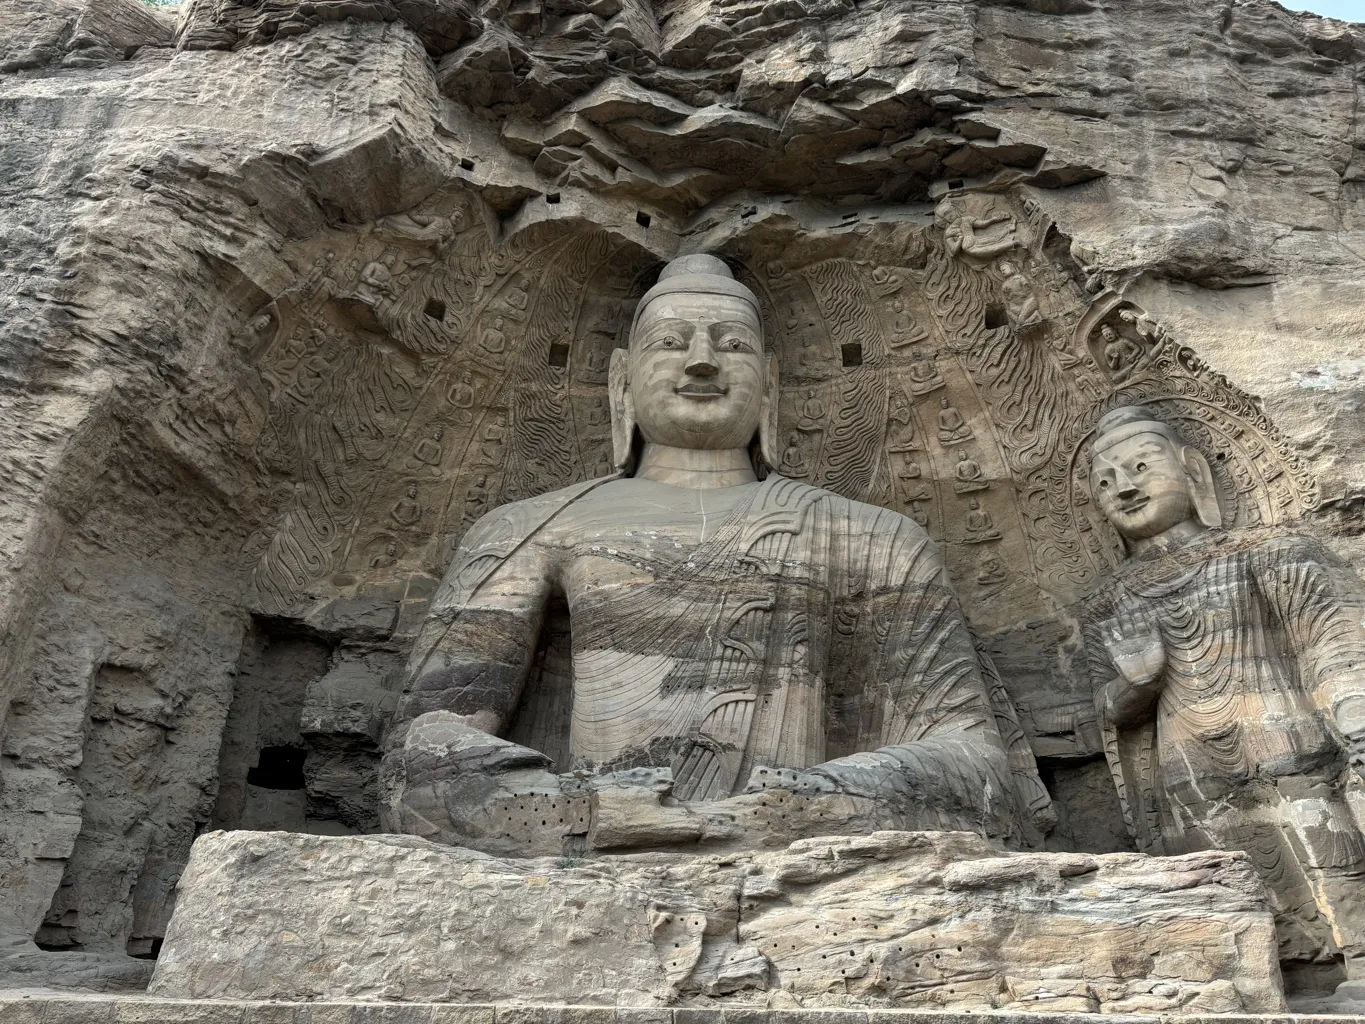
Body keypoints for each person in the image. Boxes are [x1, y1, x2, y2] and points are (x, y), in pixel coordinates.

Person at [381, 255, 1051, 856]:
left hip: (806, 859)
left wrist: (799, 803)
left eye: (731, 346)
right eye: (670, 343)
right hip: (585, 857)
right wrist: (585, 810)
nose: (701, 361)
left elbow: (977, 768)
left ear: (769, 383)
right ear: (621, 382)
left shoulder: (872, 537)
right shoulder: (532, 529)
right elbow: (420, 755)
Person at [1085, 405, 1365, 985]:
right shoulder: (1108, 602)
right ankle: (1273, 984)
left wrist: (1350, 710)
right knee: (1230, 881)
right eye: (1106, 482)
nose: (1127, 487)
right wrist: (1138, 680)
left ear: (1195, 472)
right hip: (1187, 770)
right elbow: (1109, 713)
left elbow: (1329, 638)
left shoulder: (1263, 547)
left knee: (1330, 858)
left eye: (1141, 466)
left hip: (1288, 739)